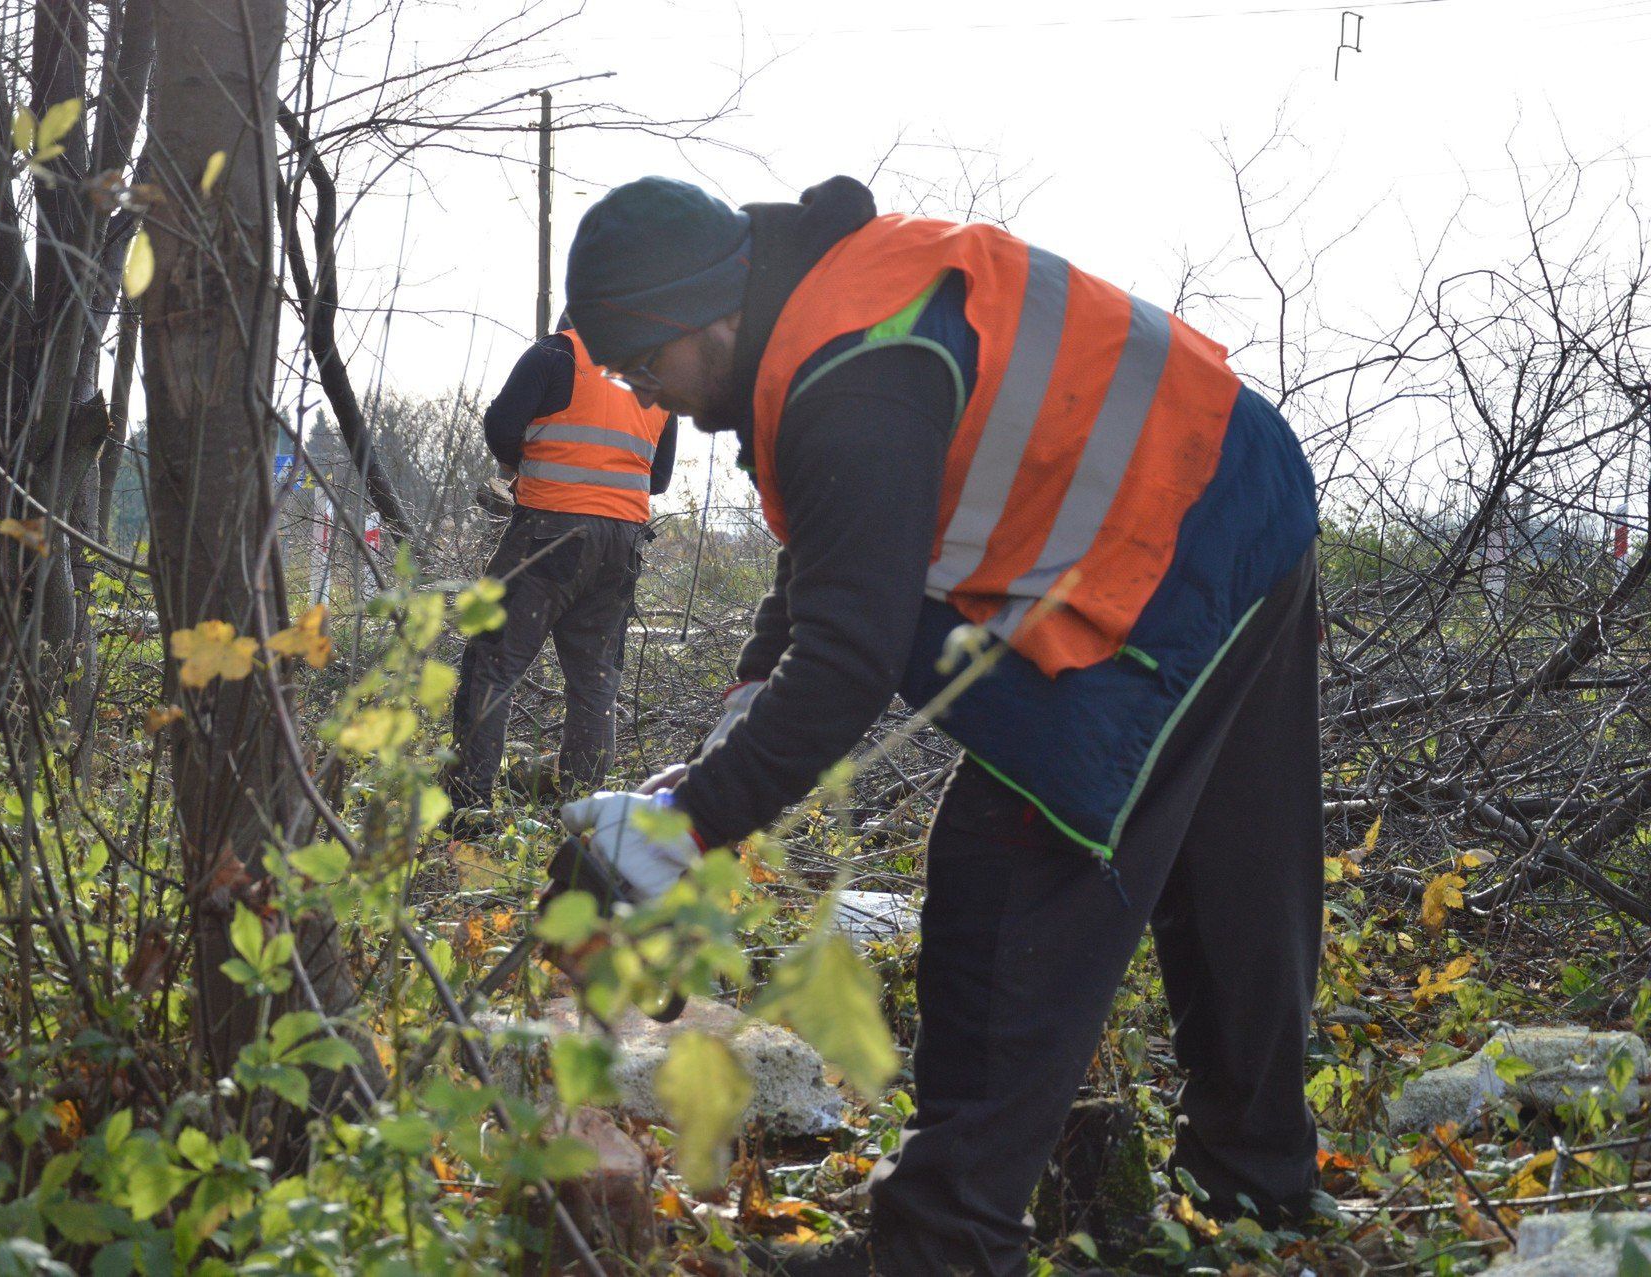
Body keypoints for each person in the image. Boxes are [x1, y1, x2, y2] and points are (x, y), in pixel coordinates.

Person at [555, 175, 1322, 1275]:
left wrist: (686, 829)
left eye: (647, 367)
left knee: (1010, 868)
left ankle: (943, 1245)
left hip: (1172, 546)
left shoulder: (853, 377)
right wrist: (736, 712)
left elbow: (851, 657)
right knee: (1235, 861)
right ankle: (1259, 1185)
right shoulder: (832, 308)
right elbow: (832, 556)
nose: (651, 396)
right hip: (1239, 479)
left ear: (705, 315)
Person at [443, 324, 678, 816]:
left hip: (550, 534)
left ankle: (469, 808)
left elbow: (501, 426)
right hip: (623, 546)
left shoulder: (558, 353)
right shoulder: (657, 376)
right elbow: (658, 478)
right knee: (595, 681)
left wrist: (523, 466)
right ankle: (580, 815)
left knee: (493, 663)